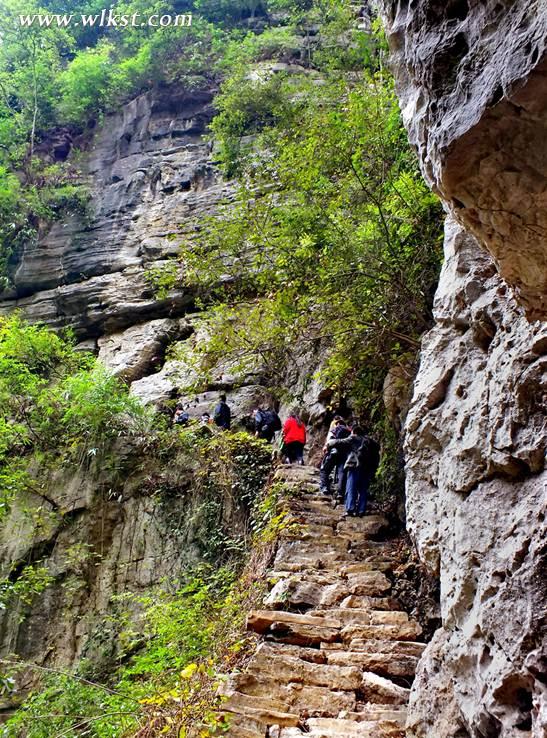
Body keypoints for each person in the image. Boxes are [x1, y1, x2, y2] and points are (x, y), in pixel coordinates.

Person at [328, 425, 380, 517]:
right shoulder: (370, 442)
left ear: (354, 432)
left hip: (354, 466)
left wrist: (328, 443)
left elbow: (339, 442)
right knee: (363, 489)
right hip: (366, 468)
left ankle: (350, 509)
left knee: (351, 488)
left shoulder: (353, 438)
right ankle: (361, 510)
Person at [319, 416, 350, 496]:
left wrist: (326, 447)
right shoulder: (349, 432)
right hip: (344, 455)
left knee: (324, 470)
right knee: (342, 473)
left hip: (333, 452)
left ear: (338, 423)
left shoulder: (335, 429)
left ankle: (324, 487)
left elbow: (330, 440)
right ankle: (340, 493)